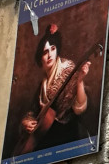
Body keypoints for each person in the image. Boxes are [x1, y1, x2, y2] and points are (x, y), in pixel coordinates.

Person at [15, 23, 90, 154]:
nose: (49, 55)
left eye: (53, 49)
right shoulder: (42, 85)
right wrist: (26, 122)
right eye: (45, 52)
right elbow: (33, 111)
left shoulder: (68, 69)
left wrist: (79, 81)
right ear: (41, 58)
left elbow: (79, 109)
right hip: (48, 135)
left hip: (68, 135)